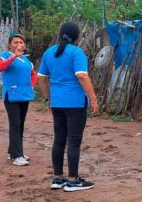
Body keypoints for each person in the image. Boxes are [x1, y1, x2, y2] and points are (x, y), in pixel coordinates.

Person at [37, 22, 99, 192]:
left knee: (59, 139)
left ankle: (58, 179)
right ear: (77, 37)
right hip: (75, 103)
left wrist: (49, 97)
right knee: (74, 141)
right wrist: (93, 98)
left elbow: (41, 78)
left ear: (60, 34)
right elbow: (82, 76)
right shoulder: (76, 53)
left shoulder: (49, 53)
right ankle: (73, 181)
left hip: (57, 103)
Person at [0, 31, 37, 166]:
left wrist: (31, 84)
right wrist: (13, 57)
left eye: (21, 42)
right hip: (11, 95)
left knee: (20, 123)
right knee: (15, 124)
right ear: (10, 45)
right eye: (16, 42)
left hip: (24, 95)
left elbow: (33, 74)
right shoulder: (5, 56)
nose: (19, 44)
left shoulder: (26, 60)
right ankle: (17, 156)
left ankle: (13, 151)